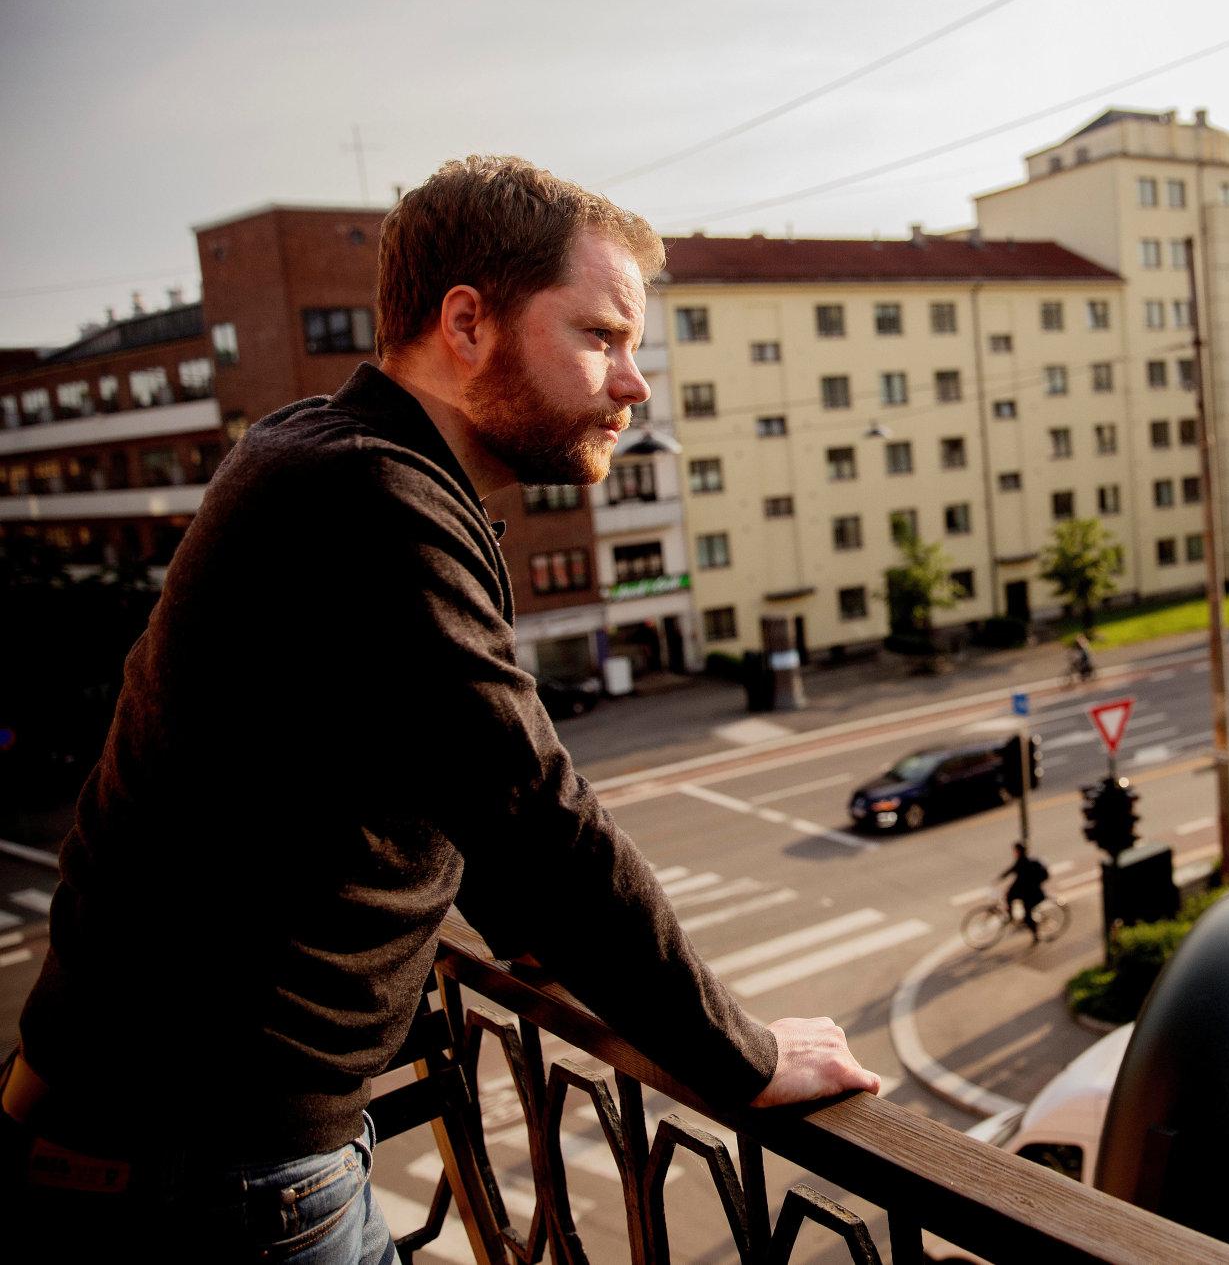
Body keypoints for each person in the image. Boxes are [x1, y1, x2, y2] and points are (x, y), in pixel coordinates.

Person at [1, 156, 878, 1263]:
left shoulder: (315, 454)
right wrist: (741, 1057)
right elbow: (534, 815)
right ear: (468, 323)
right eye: (602, 337)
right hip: (214, 1175)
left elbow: (465, 794)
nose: (633, 383)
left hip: (145, 1142)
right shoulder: (372, 501)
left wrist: (546, 954)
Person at [999, 842, 1051, 940]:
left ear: (1019, 851)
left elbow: (1016, 879)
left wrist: (1002, 880)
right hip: (1027, 893)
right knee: (1010, 897)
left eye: (1015, 851)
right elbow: (1011, 871)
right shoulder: (1022, 861)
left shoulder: (1023, 863)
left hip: (1034, 895)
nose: (1014, 853)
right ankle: (1013, 918)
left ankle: (1036, 935)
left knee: (1027, 916)